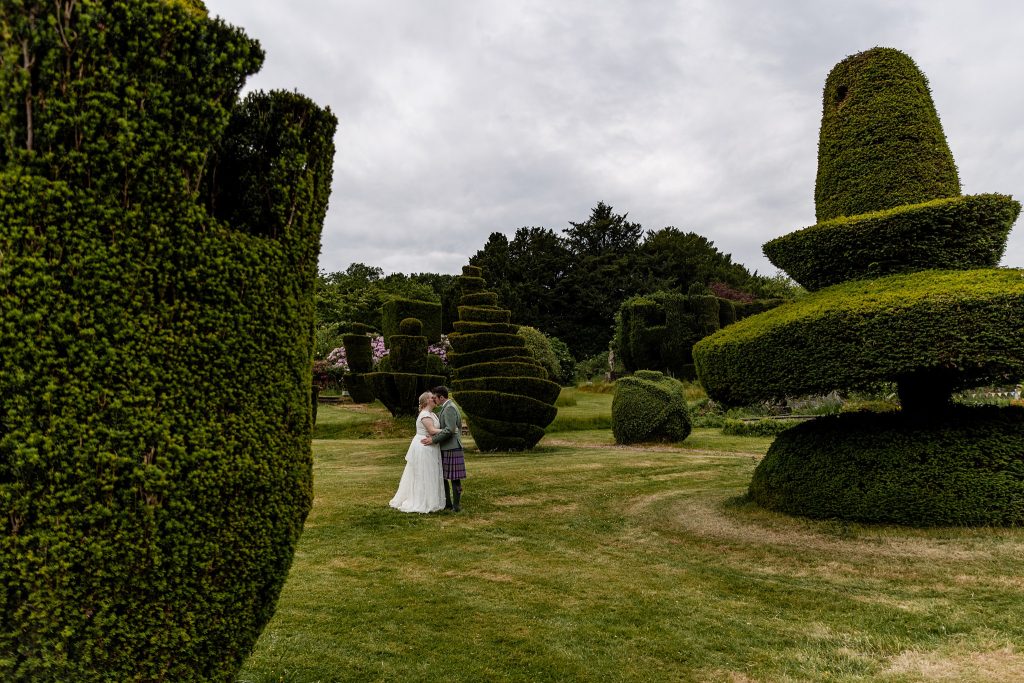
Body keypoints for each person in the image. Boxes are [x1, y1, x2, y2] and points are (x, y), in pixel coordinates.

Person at [389, 392, 445, 513]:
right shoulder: (424, 414)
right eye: (431, 397)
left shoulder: (432, 414)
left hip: (431, 445)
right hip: (423, 446)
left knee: (430, 472)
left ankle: (431, 499)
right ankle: (421, 500)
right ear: (426, 401)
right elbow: (431, 430)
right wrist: (448, 430)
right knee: (423, 473)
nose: (434, 398)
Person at [421, 385, 466, 512]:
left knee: (454, 478)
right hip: (447, 447)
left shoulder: (450, 408)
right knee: (445, 477)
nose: (434, 400)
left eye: (435, 397)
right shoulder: (446, 408)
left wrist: (433, 440)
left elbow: (449, 430)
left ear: (441, 397)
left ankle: (456, 506)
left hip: (452, 447)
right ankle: (448, 503)